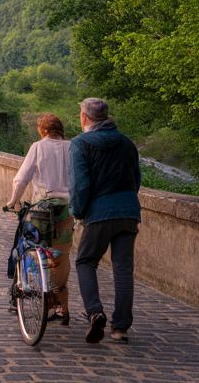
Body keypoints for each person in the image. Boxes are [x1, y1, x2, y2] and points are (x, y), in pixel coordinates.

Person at [70, 97, 141, 344]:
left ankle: (95, 312)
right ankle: (120, 328)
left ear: (84, 117)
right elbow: (136, 180)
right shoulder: (127, 144)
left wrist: (78, 211)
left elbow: (80, 184)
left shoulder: (80, 143)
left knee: (85, 261)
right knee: (123, 270)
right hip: (128, 212)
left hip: (99, 212)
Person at [7, 113, 74, 325]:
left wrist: (12, 202)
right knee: (61, 257)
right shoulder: (73, 148)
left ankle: (31, 291)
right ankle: (63, 306)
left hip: (41, 210)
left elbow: (21, 179)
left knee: (29, 247)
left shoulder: (38, 147)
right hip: (65, 210)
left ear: (43, 131)